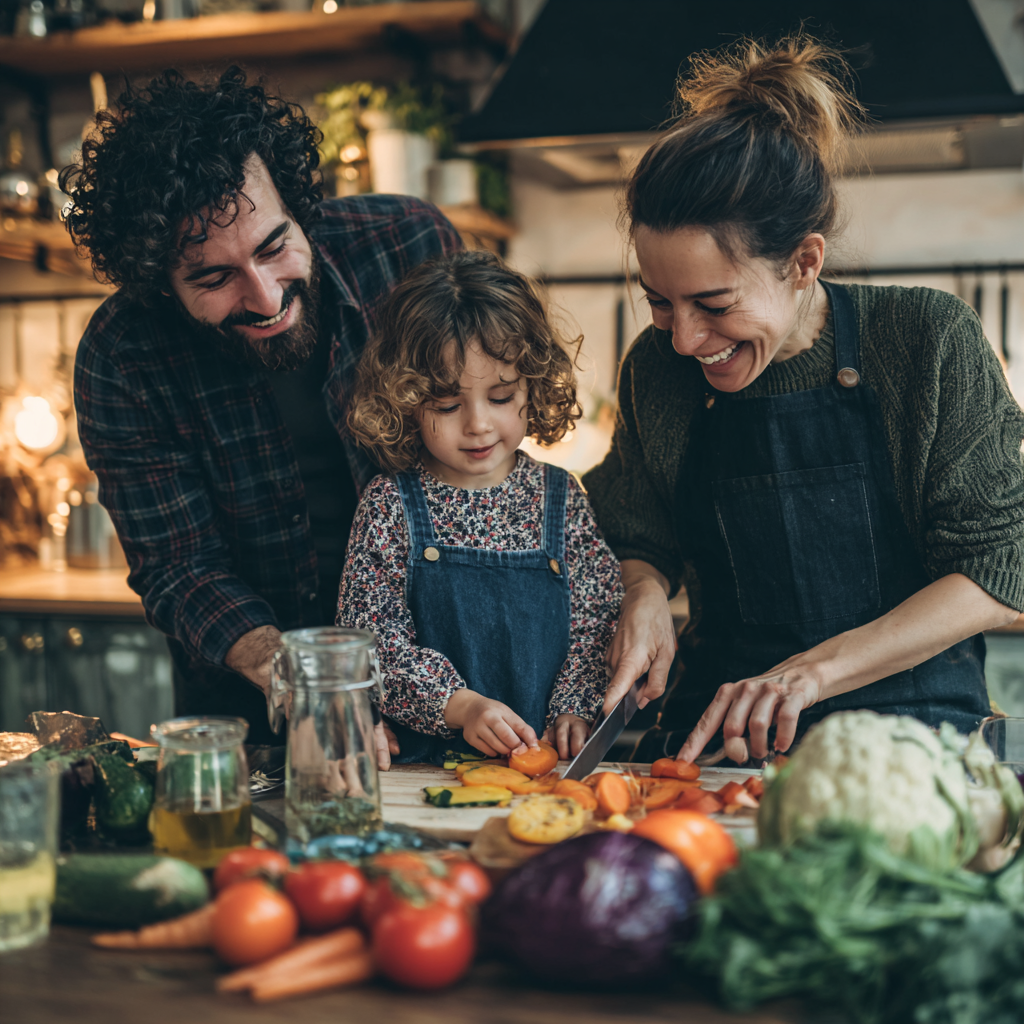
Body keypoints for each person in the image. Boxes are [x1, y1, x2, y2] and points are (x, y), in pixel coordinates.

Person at [583, 37, 1024, 765]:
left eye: (715, 304)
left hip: (914, 746)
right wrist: (645, 595)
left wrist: (807, 676)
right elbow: (639, 531)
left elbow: (997, 575)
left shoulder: (925, 339)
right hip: (720, 745)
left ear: (804, 263)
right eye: (659, 302)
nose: (687, 339)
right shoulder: (656, 371)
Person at [66, 68, 461, 752]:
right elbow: (179, 568)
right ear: (159, 286)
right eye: (214, 277)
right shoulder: (122, 354)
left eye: (274, 246)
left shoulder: (410, 247)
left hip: (449, 683)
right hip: (251, 714)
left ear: (301, 206)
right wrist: (307, 685)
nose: (265, 296)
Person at [338, 251, 622, 762]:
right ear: (406, 399)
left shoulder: (562, 499)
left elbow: (598, 622)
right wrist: (460, 706)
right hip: (427, 775)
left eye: (500, 396)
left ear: (532, 385)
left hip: (547, 769)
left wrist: (575, 708)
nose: (478, 424)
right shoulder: (388, 506)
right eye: (448, 405)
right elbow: (370, 647)